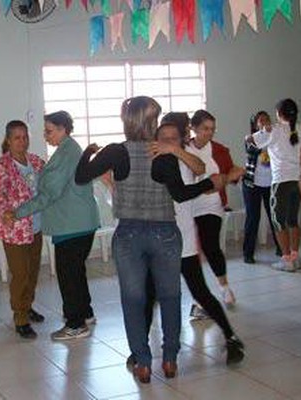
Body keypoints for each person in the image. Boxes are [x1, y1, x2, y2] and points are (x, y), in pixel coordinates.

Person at [75, 97, 226, 383]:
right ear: (150, 122)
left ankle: (143, 362)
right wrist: (210, 184)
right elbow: (180, 194)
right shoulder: (162, 153)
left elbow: (81, 176)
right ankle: (169, 360)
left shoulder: (115, 152)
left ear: (127, 121)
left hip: (129, 235)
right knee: (170, 296)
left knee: (133, 300)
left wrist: (88, 153)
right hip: (165, 233)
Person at [126, 118, 244, 369]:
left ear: (182, 138)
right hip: (156, 238)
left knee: (200, 290)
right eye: (163, 137)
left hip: (183, 237)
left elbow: (201, 169)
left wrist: (176, 150)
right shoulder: (150, 156)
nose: (168, 141)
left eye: (173, 137)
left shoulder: (188, 155)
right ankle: (139, 349)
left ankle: (231, 338)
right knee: (149, 295)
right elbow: (175, 191)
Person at [4, 111, 99, 342]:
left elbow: (49, 194)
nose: (45, 136)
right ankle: (85, 314)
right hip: (76, 221)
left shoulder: (67, 152)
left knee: (68, 275)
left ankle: (75, 323)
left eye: (49, 131)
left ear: (63, 129)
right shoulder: (67, 150)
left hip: (72, 224)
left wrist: (18, 213)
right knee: (76, 272)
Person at [0, 120, 46, 339]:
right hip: (16, 229)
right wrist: (6, 212)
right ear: (8, 140)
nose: (22, 142)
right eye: (17, 138)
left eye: (25, 137)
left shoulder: (35, 161)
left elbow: (49, 181)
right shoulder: (2, 165)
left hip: (36, 225)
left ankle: (28, 306)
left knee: (32, 272)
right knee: (20, 274)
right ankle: (20, 317)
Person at [187, 110, 244, 307]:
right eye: (205, 129)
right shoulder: (184, 148)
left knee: (210, 244)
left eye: (212, 129)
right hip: (187, 206)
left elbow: (235, 170)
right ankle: (199, 296)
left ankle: (224, 286)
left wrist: (223, 181)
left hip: (211, 206)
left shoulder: (219, 150)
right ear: (193, 128)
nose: (209, 133)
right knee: (190, 252)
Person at [249, 98, 301, 272]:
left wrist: (262, 130)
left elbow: (251, 141)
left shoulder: (274, 130)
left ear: (278, 114)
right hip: (296, 181)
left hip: (280, 181)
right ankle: (295, 257)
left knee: (278, 221)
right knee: (292, 220)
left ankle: (286, 259)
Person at [242, 111, 282, 264]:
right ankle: (248, 254)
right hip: (251, 184)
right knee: (253, 218)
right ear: (255, 124)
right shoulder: (250, 138)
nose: (265, 122)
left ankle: (281, 248)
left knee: (275, 218)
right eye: (261, 120)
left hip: (271, 183)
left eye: (267, 120)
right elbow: (252, 149)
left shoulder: (275, 137)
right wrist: (264, 138)